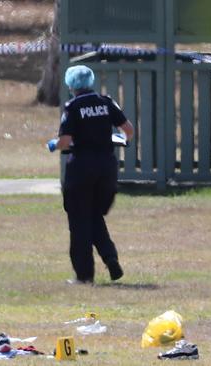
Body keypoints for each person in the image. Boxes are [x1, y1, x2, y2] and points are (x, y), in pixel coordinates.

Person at [48, 65, 134, 284]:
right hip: (107, 168)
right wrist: (118, 139)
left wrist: (53, 145)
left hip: (81, 169)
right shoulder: (106, 102)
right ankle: (110, 257)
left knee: (79, 222)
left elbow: (66, 141)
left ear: (71, 84)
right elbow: (129, 130)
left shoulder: (73, 106)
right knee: (94, 216)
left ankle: (84, 275)